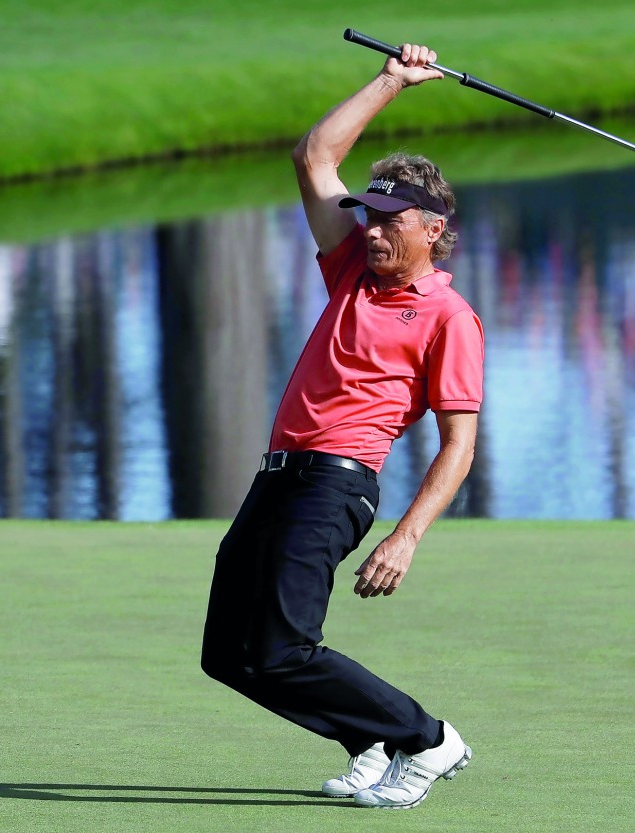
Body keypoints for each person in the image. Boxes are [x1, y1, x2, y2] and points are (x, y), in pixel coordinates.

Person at [200, 43, 483, 810]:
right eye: (370, 216)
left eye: (392, 221)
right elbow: (314, 157)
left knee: (283, 648)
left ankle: (427, 738)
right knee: (229, 653)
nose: (375, 230)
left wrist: (406, 536)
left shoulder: (449, 318)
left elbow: (459, 446)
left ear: (432, 228)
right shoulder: (351, 264)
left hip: (336, 485)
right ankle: (368, 740)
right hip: (277, 477)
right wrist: (392, 80)